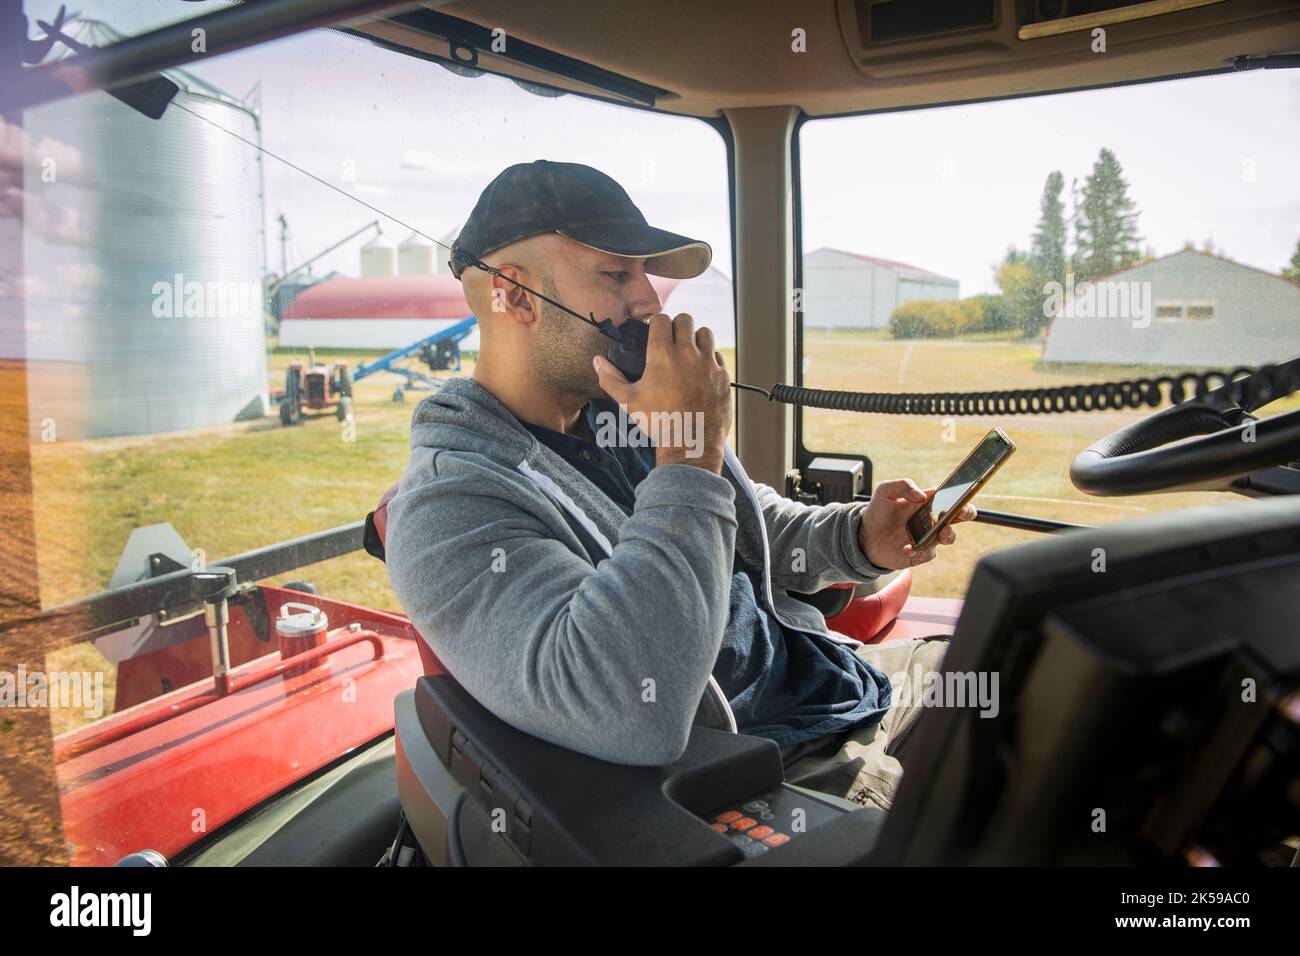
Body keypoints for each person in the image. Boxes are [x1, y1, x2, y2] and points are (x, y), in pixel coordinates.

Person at [385, 159, 975, 812]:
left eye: (646, 274)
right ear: (515, 294)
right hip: (777, 763)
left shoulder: (628, 411)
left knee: (1034, 670)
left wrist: (857, 537)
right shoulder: (450, 507)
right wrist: (690, 450)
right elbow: (630, 700)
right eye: (617, 274)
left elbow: (748, 534)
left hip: (845, 678)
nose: (649, 301)